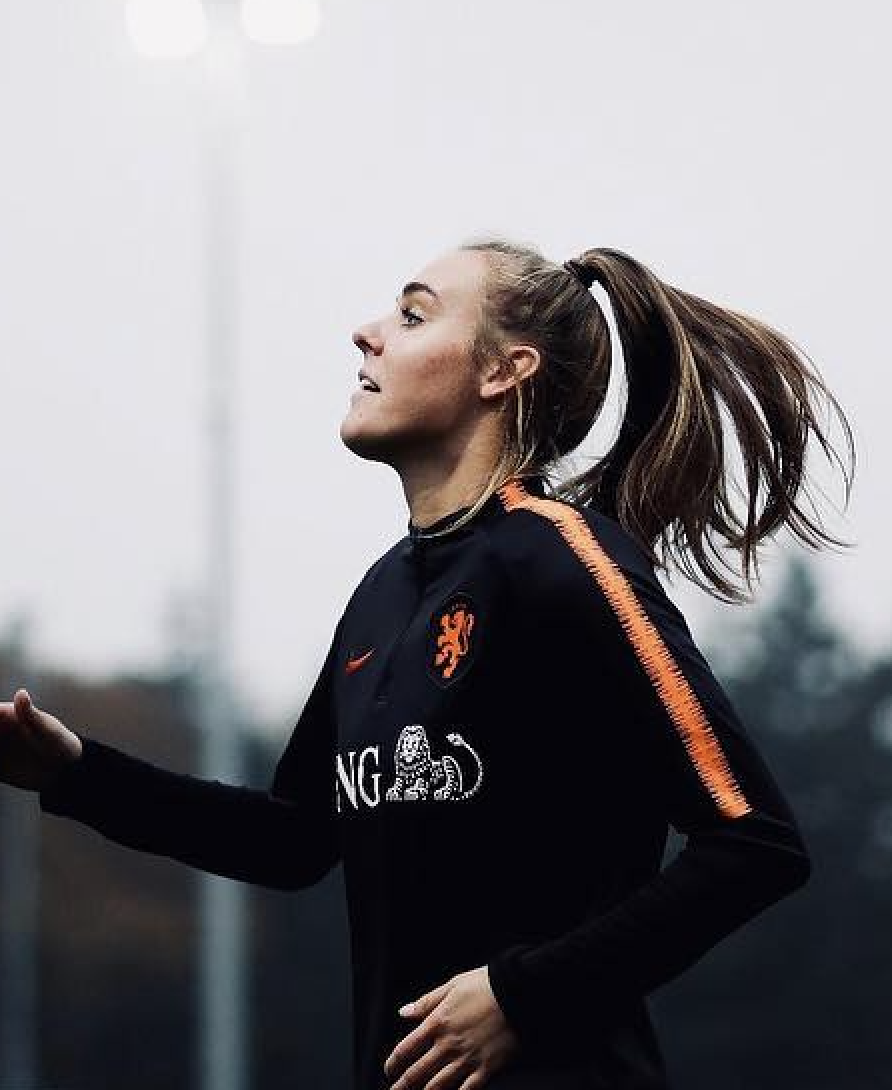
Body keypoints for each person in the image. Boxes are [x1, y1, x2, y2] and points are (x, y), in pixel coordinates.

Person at [0, 238, 855, 1090]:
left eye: (413, 315)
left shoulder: (565, 561)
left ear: (503, 372)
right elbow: (294, 840)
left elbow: (756, 842)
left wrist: (524, 995)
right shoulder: (381, 594)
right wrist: (74, 774)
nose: (366, 333)